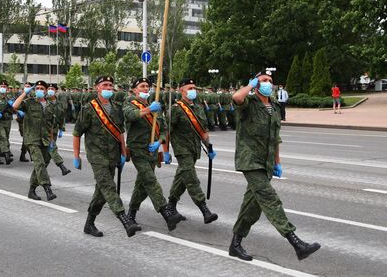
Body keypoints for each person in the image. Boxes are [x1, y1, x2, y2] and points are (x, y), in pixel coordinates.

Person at [229, 71, 320, 261]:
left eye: (270, 81)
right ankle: (296, 243)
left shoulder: (275, 107)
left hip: (267, 162)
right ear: (255, 84)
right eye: (264, 81)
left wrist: (277, 162)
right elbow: (236, 96)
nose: (268, 84)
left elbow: (275, 138)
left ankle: (235, 244)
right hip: (250, 161)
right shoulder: (249, 104)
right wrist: (250, 85)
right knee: (270, 200)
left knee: (252, 207)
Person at [72, 76, 139, 238]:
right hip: (97, 156)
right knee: (109, 187)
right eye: (105, 85)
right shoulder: (89, 109)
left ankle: (89, 223)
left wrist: (123, 152)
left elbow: (120, 132)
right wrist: (76, 156)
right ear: (97, 88)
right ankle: (125, 219)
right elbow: (77, 133)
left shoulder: (116, 108)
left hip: (113, 155)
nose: (108, 87)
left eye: (110, 85)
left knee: (101, 191)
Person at [123, 77, 181, 233]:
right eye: (142, 86)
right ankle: (166, 212)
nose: (145, 89)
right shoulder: (129, 103)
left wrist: (160, 141)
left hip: (152, 151)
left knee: (142, 185)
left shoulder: (156, 107)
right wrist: (149, 110)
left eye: (147, 86)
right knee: (150, 180)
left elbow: (164, 129)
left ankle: (131, 214)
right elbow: (131, 116)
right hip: (137, 150)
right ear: (134, 90)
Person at [168, 78, 218, 228]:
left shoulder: (198, 108)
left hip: (194, 149)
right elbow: (167, 131)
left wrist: (209, 148)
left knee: (182, 179)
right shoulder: (176, 109)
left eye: (194, 87)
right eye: (189, 88)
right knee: (191, 179)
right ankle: (205, 211)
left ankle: (170, 206)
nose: (192, 90)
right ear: (181, 90)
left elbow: (203, 131)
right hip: (182, 150)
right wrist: (164, 151)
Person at [12, 80, 57, 201]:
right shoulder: (29, 102)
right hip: (31, 139)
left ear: (46, 90)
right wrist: (24, 93)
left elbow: (50, 125)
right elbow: (15, 106)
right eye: (37, 88)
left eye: (42, 88)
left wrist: (52, 141)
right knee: (39, 163)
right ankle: (48, 189)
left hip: (45, 139)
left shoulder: (49, 105)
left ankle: (32, 190)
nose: (40, 90)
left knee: (42, 164)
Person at [46, 83, 72, 176]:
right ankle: (62, 166)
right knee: (52, 148)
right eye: (48, 88)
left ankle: (41, 170)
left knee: (48, 151)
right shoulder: (44, 101)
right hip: (45, 130)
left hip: (55, 129)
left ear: (56, 90)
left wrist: (61, 128)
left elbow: (62, 117)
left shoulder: (59, 104)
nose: (50, 90)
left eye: (52, 88)